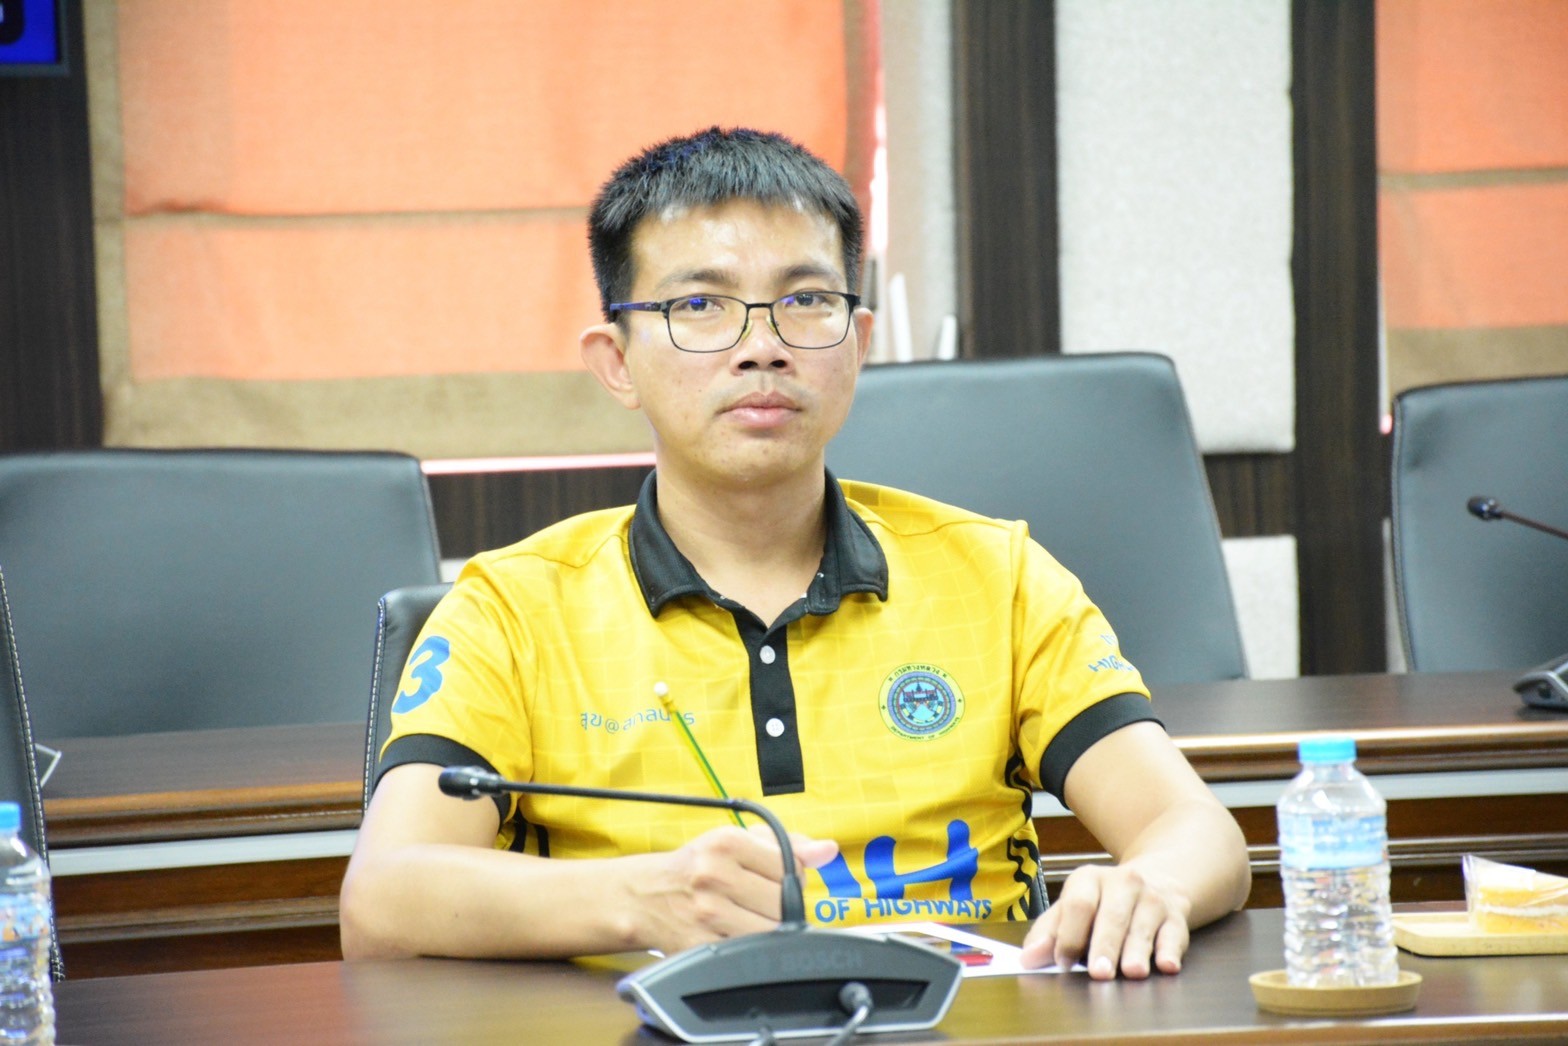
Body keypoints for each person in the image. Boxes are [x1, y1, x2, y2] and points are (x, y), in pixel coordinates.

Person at [340, 127, 1250, 979]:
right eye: (700, 305)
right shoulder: (513, 607)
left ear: (858, 344)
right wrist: (637, 899)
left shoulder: (998, 576)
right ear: (616, 361)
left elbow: (1192, 825)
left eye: (807, 302)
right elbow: (382, 902)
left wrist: (1150, 885)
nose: (763, 348)